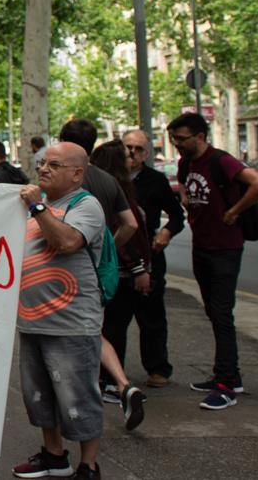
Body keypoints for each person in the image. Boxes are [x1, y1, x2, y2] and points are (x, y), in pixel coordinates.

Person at [13, 143, 107, 480]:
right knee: (38, 396)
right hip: (33, 319)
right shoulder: (37, 205)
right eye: (41, 163)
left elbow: (67, 243)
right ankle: (53, 455)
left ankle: (89, 465)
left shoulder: (86, 206)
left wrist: (37, 206)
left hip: (71, 324)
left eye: (54, 164)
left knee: (78, 397)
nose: (43, 170)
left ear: (77, 173)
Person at [167, 112, 258, 410]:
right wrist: (186, 199)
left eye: (182, 138)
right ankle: (228, 374)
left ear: (200, 136)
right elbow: (185, 186)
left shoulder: (221, 160)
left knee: (222, 314)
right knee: (213, 311)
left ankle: (226, 385)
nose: (177, 144)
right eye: (175, 138)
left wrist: (234, 210)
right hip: (202, 245)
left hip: (226, 248)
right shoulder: (186, 163)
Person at [57, 120, 144, 427]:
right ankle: (121, 384)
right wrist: (107, 248)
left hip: (62, 270)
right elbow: (131, 223)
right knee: (95, 331)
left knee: (67, 338)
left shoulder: (60, 179)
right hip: (99, 272)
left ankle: (81, 400)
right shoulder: (108, 180)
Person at [90, 140, 153, 431]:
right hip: (126, 273)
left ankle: (108, 384)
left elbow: (128, 230)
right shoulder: (118, 187)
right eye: (128, 153)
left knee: (100, 330)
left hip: (116, 273)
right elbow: (134, 227)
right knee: (108, 331)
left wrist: (108, 256)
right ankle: (121, 383)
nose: (133, 157)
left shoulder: (99, 189)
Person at [122, 129, 185, 388]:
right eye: (127, 147)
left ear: (146, 154)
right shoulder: (110, 177)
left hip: (149, 255)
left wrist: (166, 233)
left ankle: (158, 368)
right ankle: (111, 374)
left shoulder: (156, 180)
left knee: (152, 316)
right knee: (115, 318)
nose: (131, 153)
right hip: (118, 255)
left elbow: (177, 215)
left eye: (137, 149)